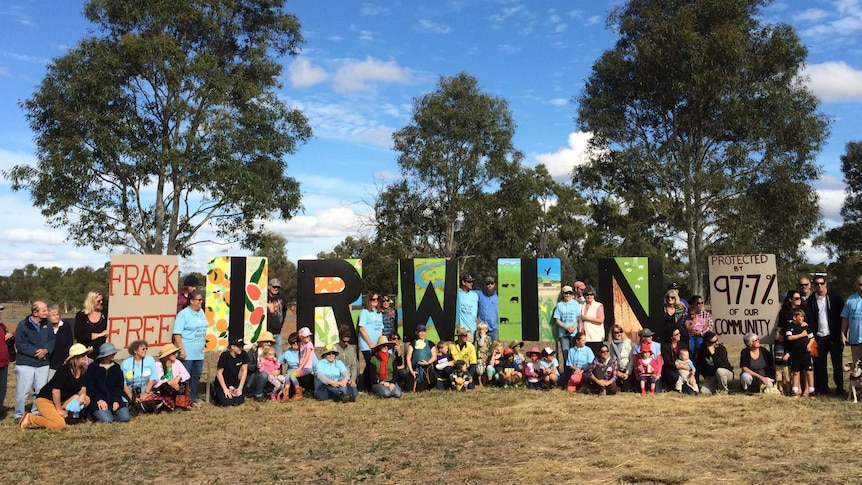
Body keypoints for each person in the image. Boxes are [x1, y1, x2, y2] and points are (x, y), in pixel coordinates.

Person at [19, 343, 90, 431]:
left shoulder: (82, 371)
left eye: (86, 355)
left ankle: (62, 416)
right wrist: (59, 409)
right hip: (46, 400)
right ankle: (30, 418)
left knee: (86, 399)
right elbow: (55, 391)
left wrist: (82, 395)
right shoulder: (64, 370)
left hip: (63, 400)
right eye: (83, 355)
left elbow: (83, 387)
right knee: (59, 425)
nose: (85, 357)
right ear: (75, 358)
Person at [14, 301, 55, 423]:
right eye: (44, 311)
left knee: (40, 390)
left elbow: (52, 339)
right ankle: (19, 415)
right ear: (35, 312)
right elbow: (20, 344)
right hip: (26, 363)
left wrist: (46, 350)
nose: (47, 313)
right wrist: (36, 352)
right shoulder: (23, 325)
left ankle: (36, 412)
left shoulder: (47, 324)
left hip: (42, 364)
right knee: (23, 391)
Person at [807, 276, 845, 395]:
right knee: (820, 364)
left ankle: (839, 388)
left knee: (837, 364)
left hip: (833, 336)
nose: (819, 286)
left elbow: (842, 316)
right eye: (817, 284)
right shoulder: (812, 299)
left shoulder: (835, 297)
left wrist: (841, 333)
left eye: (821, 283)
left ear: (826, 283)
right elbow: (810, 316)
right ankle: (822, 388)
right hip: (819, 336)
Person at [172, 291, 207, 405]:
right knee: (185, 376)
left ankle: (192, 398)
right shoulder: (183, 314)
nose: (201, 302)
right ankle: (183, 399)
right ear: (191, 301)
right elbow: (177, 333)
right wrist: (181, 349)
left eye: (202, 299)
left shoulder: (201, 312)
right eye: (199, 300)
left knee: (196, 375)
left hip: (199, 352)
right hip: (187, 352)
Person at [86, 343, 130, 423]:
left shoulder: (116, 367)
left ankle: (111, 414)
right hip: (98, 400)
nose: (114, 354)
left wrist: (116, 400)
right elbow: (90, 386)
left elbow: (119, 386)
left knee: (125, 417)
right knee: (107, 420)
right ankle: (98, 414)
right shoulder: (93, 367)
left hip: (114, 399)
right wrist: (99, 400)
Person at [358, 292, 384, 391]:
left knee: (373, 364)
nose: (375, 301)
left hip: (376, 343)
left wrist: (380, 342)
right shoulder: (364, 312)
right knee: (370, 363)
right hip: (366, 344)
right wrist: (370, 344)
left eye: (377, 299)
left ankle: (369, 385)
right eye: (373, 299)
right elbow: (362, 329)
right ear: (369, 300)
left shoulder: (379, 313)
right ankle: (363, 385)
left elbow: (380, 328)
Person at [785, 308, 815, 397]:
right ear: (795, 317)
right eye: (800, 316)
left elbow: (812, 338)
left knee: (808, 371)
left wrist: (809, 345)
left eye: (803, 317)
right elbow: (789, 337)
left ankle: (811, 390)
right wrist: (801, 335)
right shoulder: (790, 326)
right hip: (795, 353)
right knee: (796, 372)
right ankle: (795, 390)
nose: (802, 319)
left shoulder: (805, 326)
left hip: (805, 353)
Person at [120, 339, 159, 407]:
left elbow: (153, 378)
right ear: (135, 351)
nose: (145, 350)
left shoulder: (150, 360)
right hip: (130, 391)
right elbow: (123, 382)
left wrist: (146, 393)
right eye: (143, 349)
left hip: (146, 390)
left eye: (146, 348)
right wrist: (131, 397)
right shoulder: (125, 364)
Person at [153, 343, 192, 410]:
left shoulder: (177, 362)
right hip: (162, 386)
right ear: (167, 355)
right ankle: (169, 404)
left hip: (174, 383)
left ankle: (181, 404)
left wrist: (178, 377)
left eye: (175, 353)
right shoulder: (158, 365)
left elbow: (187, 375)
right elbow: (158, 380)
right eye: (173, 353)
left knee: (183, 384)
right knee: (167, 386)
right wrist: (169, 382)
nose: (175, 355)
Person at [213, 338, 249, 406]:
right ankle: (216, 394)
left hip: (234, 383)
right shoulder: (224, 356)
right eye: (239, 346)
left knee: (239, 401)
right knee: (226, 403)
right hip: (222, 384)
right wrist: (225, 389)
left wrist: (240, 388)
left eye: (242, 346)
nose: (241, 348)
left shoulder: (243, 354)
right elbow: (219, 373)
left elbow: (244, 371)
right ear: (232, 347)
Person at [74, 291, 107, 360]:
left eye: (102, 300)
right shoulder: (81, 316)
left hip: (103, 353)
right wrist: (100, 335)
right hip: (86, 355)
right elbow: (79, 335)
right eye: (98, 301)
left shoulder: (105, 314)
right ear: (91, 301)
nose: (101, 302)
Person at [246, 330, 276, 401]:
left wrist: (278, 371)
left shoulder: (272, 352)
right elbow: (247, 366)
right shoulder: (253, 352)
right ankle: (258, 394)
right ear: (261, 342)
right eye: (266, 341)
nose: (269, 344)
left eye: (270, 342)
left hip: (270, 375)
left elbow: (277, 364)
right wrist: (256, 366)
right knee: (264, 374)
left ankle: (271, 392)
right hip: (254, 377)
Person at [46, 304, 73, 382]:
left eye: (57, 314)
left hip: (63, 362)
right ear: (48, 317)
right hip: (49, 363)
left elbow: (69, 343)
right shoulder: (46, 328)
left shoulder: (65, 326)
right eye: (53, 315)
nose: (56, 317)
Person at [406, 324, 437, 392]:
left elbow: (434, 356)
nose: (422, 333)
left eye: (424, 331)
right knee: (409, 388)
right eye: (420, 331)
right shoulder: (412, 344)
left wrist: (428, 362)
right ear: (417, 333)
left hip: (427, 368)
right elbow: (408, 358)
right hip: (416, 369)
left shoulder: (430, 343)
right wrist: (411, 371)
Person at [554, 285, 581, 360]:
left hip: (574, 332)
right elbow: (557, 320)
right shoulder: (559, 305)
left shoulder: (575, 303)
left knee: (574, 353)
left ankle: (574, 371)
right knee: (566, 353)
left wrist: (573, 328)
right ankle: (567, 371)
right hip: (563, 333)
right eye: (566, 293)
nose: (568, 295)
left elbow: (577, 318)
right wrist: (566, 327)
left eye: (570, 293)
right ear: (563, 294)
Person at [660, 326, 689, 393]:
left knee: (688, 391)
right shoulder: (665, 346)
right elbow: (667, 362)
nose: (679, 335)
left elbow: (687, 357)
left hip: (683, 368)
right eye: (677, 334)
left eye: (679, 333)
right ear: (671, 337)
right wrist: (680, 366)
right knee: (675, 376)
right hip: (670, 369)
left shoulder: (682, 345)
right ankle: (670, 387)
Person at [842, 276, 862, 365]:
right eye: (861, 284)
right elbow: (845, 318)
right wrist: (843, 334)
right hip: (855, 340)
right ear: (856, 285)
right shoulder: (850, 299)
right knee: (857, 368)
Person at [609, 325, 635, 392]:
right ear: (613, 334)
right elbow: (611, 360)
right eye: (616, 332)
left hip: (627, 369)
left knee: (625, 389)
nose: (619, 334)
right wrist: (617, 372)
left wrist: (627, 373)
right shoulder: (611, 345)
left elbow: (631, 359)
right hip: (617, 370)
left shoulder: (627, 342)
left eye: (620, 332)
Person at [580, 285, 605, 355]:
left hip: (595, 337)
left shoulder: (598, 305)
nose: (589, 296)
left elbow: (601, 320)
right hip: (584, 337)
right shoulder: (582, 305)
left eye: (591, 294)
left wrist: (587, 318)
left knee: (596, 357)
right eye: (587, 294)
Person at [335, 325, 359, 392]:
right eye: (343, 341)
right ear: (340, 338)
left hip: (349, 378)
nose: (345, 343)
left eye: (347, 341)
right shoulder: (335, 349)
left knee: (354, 394)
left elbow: (354, 366)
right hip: (339, 378)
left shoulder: (350, 349)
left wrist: (353, 379)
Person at [266, 278, 286, 355]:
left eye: (278, 287)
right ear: (269, 286)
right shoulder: (264, 296)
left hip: (278, 332)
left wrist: (280, 324)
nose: (276, 288)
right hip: (266, 332)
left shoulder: (282, 297)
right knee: (266, 354)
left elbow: (284, 311)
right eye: (274, 286)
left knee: (278, 354)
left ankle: (278, 367)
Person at [456, 274, 479, 340]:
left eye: (472, 282)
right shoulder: (458, 294)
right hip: (463, 330)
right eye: (469, 282)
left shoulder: (475, 295)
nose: (471, 283)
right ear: (463, 282)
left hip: (473, 330)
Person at [477, 276, 500, 342]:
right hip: (482, 329)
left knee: (494, 349)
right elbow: (467, 291)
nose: (489, 285)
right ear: (484, 285)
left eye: (491, 283)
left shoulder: (499, 296)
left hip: (494, 329)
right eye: (487, 284)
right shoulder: (479, 294)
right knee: (481, 350)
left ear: (494, 284)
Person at [0, 305, 12, 420]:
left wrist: (10, 337)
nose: (0, 313)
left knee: (2, 390)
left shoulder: (2, 326)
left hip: (4, 363)